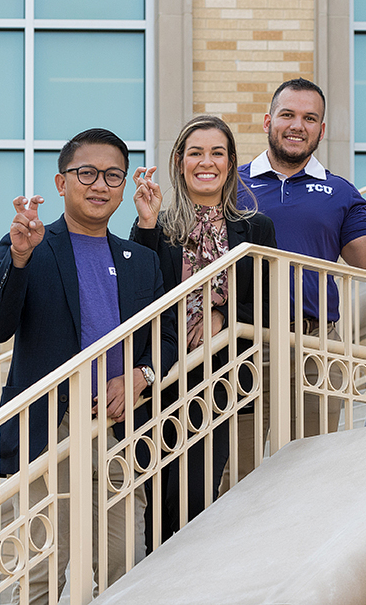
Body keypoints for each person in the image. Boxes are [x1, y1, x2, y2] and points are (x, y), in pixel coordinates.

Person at [0, 128, 168, 603]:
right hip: (45, 431)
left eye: (112, 176)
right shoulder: (29, 243)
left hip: (116, 428)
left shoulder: (141, 260)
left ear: (123, 187)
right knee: (33, 576)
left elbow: (162, 337)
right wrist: (19, 258)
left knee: (125, 570)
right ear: (62, 183)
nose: (99, 185)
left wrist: (141, 376)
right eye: (87, 173)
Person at [129, 114, 277, 537]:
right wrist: (145, 224)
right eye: (195, 152)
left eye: (217, 152)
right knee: (158, 504)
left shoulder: (255, 228)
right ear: (179, 161)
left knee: (194, 498)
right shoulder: (156, 226)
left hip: (221, 380)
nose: (206, 161)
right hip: (160, 379)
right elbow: (138, 301)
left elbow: (269, 303)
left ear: (230, 163)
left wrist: (223, 316)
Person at [239, 78, 366, 440]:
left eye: (309, 118)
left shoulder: (339, 191)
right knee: (236, 473)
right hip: (246, 342)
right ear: (268, 122)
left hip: (316, 347)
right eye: (288, 115)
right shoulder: (230, 185)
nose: (298, 125)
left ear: (322, 129)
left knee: (312, 474)